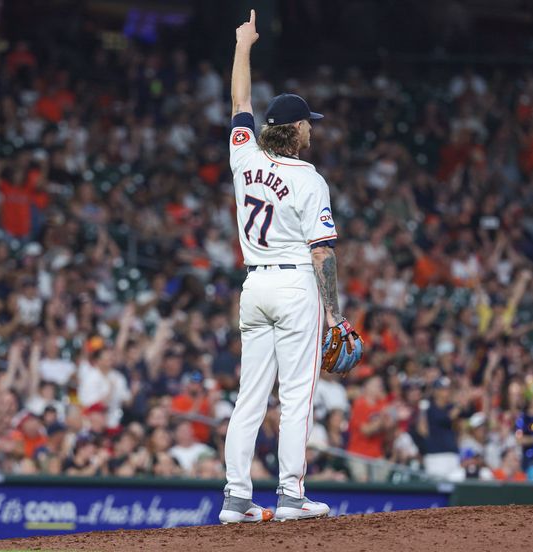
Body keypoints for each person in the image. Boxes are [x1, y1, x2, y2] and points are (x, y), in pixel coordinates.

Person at [220, 9, 361, 524]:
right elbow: (322, 252)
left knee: (249, 396)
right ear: (296, 128)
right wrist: (335, 316)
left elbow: (240, 102)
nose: (310, 129)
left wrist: (243, 47)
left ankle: (236, 497)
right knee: (297, 393)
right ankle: (291, 495)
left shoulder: (244, 156)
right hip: (295, 282)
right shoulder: (309, 178)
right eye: (308, 123)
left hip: (253, 284)